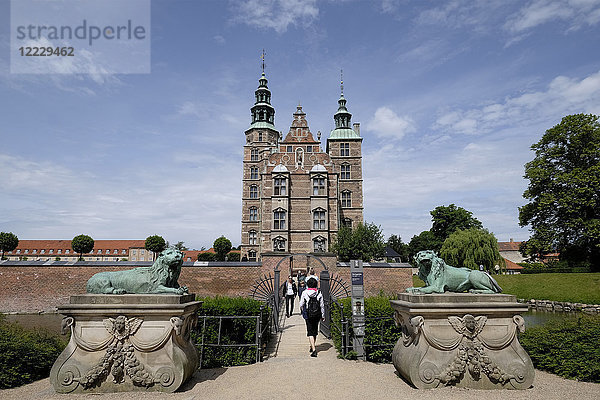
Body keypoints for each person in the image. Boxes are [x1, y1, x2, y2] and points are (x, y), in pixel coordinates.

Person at [299, 277, 324, 357]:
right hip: (317, 314)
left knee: (310, 331)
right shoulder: (319, 293)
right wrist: (323, 315)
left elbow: (301, 304)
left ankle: (313, 350)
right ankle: (312, 345)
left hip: (308, 314)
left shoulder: (305, 292)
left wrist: (303, 310)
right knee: (315, 330)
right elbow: (322, 305)